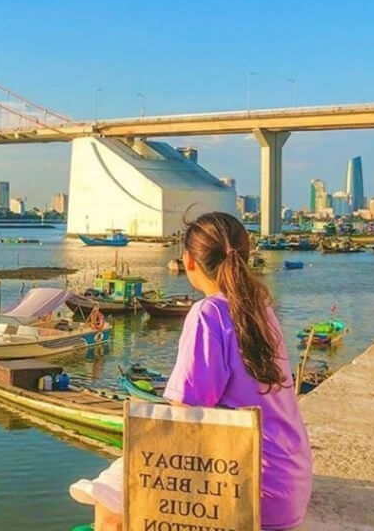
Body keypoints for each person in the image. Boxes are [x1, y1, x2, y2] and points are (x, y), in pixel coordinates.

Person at [70, 212, 312, 530]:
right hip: (290, 486)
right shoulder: (260, 307)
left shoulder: (208, 313)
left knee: (109, 492)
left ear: (189, 261)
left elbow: (185, 415)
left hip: (249, 496)